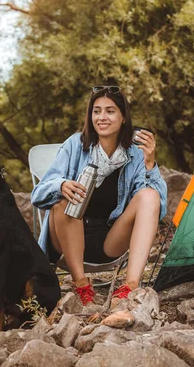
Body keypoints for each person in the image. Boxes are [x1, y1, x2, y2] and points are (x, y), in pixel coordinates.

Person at [31, 86, 167, 305]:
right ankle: (82, 286)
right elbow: (38, 194)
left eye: (110, 111)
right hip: (67, 240)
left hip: (110, 241)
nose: (102, 117)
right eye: (96, 111)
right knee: (67, 198)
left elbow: (157, 209)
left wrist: (149, 164)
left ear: (123, 117)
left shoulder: (134, 152)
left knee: (150, 195)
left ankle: (130, 287)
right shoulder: (75, 145)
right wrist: (61, 185)